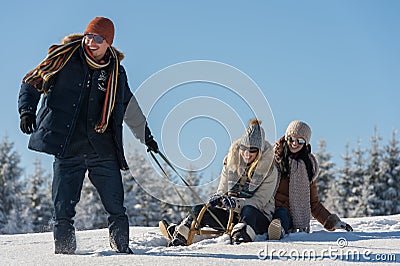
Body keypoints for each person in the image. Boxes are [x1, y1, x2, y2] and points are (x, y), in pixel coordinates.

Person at [18, 17, 159, 254]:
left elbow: (128, 106)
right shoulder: (63, 59)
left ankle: (122, 251)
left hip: (101, 148)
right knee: (62, 209)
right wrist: (26, 111)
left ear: (109, 43)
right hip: (67, 147)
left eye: (99, 39)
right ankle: (64, 254)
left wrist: (146, 137)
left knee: (116, 206)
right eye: (89, 36)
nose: (91, 42)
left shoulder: (115, 72)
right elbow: (31, 83)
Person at [160, 119, 279, 246]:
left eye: (252, 150)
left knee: (248, 211)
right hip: (230, 215)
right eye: (244, 148)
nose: (247, 154)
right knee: (199, 209)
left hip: (256, 216)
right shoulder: (231, 163)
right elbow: (222, 190)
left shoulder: (270, 170)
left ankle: (241, 237)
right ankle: (182, 233)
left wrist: (235, 203)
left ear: (260, 152)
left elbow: (259, 202)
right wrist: (219, 199)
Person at [267, 120, 352, 240]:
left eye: (300, 141)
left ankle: (277, 230)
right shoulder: (272, 159)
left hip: (286, 216)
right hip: (267, 208)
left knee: (282, 216)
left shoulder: (308, 167)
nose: (295, 143)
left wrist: (333, 222)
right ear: (286, 138)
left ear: (305, 143)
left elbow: (313, 204)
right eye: (291, 139)